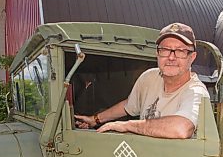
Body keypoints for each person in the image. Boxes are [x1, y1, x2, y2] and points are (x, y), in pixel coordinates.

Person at [74, 22, 210, 139]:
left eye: (180, 51)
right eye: (165, 49)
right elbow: (129, 105)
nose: (171, 57)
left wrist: (127, 126)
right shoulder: (149, 78)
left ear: (192, 57)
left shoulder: (196, 92)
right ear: (157, 54)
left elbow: (181, 128)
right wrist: (95, 120)